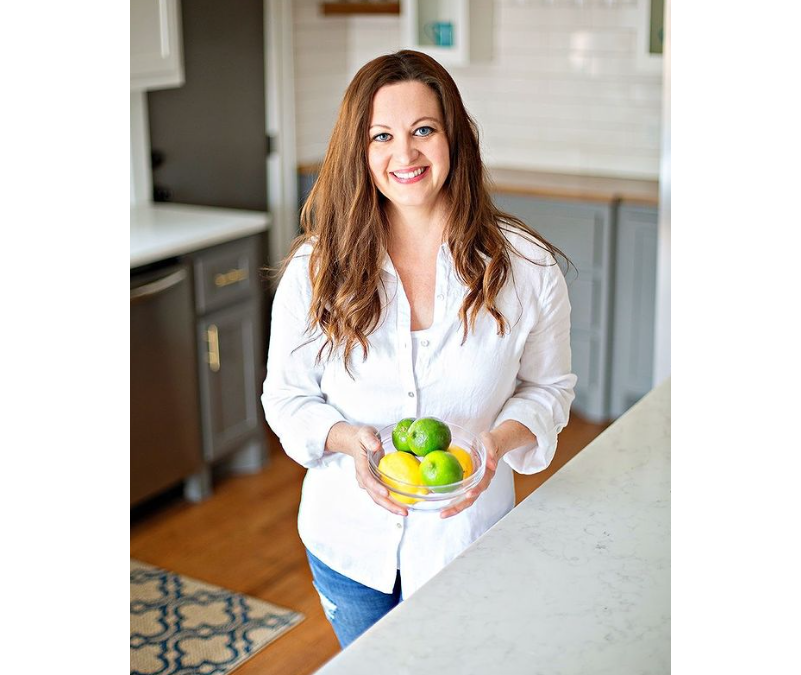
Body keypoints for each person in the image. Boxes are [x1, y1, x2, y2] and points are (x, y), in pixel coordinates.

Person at [262, 49, 576, 649]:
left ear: (454, 138)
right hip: (348, 548)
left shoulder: (527, 267)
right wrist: (345, 439)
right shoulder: (316, 269)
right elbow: (286, 396)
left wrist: (497, 442)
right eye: (381, 136)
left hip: (471, 545)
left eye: (423, 130)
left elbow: (548, 389)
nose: (404, 154)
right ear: (359, 152)